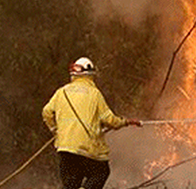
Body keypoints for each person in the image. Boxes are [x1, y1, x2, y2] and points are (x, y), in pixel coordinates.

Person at [42, 57, 142, 189]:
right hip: (87, 150)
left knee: (71, 185)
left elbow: (46, 112)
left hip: (65, 150)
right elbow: (110, 120)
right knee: (101, 172)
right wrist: (126, 122)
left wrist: (56, 131)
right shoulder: (95, 94)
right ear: (89, 74)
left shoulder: (62, 92)